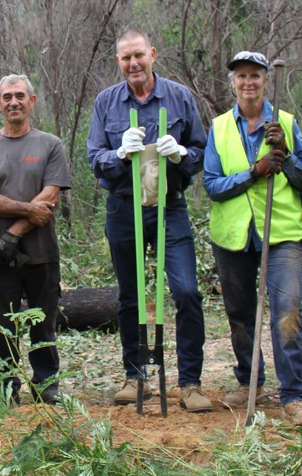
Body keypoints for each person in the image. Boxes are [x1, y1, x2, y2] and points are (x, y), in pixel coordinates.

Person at [86, 29, 211, 412]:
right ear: (118, 62)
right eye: (125, 58)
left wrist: (180, 155)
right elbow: (95, 160)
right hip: (124, 208)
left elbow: (202, 152)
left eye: (138, 55)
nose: (133, 63)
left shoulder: (179, 97)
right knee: (129, 297)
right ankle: (134, 374)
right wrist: (120, 154)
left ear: (152, 54)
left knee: (187, 291)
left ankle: (190, 382)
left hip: (169, 206)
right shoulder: (106, 102)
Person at [203, 51, 302, 427]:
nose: (248, 82)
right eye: (241, 76)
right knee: (240, 315)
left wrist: (284, 155)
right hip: (233, 235)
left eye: (255, 75)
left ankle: (295, 396)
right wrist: (254, 172)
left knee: (287, 311)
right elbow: (212, 186)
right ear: (233, 83)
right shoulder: (219, 127)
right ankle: (248, 381)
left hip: (281, 233)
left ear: (266, 80)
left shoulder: (285, 122)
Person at [0, 75, 71, 405]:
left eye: (20, 96)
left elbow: (50, 195)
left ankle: (47, 384)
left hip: (41, 252)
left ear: (32, 101)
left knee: (43, 322)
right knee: (1, 326)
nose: (14, 102)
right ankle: (6, 386)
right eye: (7, 97)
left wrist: (14, 231)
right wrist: (28, 210)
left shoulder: (50, 144)